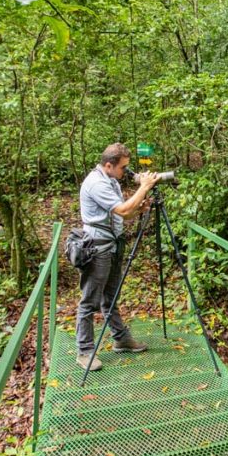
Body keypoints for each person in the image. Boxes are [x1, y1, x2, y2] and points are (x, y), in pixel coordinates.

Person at [75, 143, 159, 370]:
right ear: (109, 165)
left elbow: (124, 212)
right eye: (123, 168)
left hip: (113, 245)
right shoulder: (95, 183)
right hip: (98, 248)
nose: (126, 172)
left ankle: (121, 338)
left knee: (110, 296)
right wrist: (144, 186)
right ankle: (84, 352)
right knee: (90, 300)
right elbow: (122, 210)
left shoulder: (111, 180)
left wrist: (139, 208)